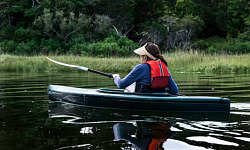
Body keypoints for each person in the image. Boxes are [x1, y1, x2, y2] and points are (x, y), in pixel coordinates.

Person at [113, 42, 178, 94]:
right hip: (160, 98)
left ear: (145, 57)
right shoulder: (163, 68)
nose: (140, 57)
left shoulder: (141, 68)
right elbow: (175, 91)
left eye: (141, 55)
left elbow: (121, 84)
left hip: (144, 98)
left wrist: (116, 77)